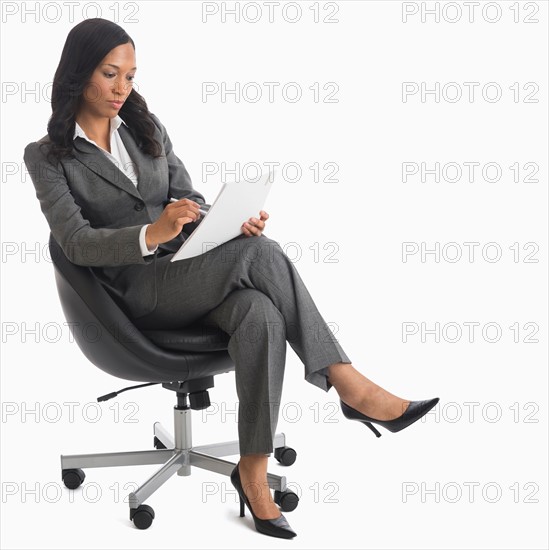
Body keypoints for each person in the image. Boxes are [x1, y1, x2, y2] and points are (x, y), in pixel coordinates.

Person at [23, 18, 439, 540]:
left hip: (191, 273)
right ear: (80, 73)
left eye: (130, 76)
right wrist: (151, 232)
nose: (122, 89)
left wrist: (218, 219)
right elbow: (76, 241)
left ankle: (254, 472)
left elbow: (187, 196)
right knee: (261, 255)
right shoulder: (47, 156)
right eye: (110, 74)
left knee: (260, 311)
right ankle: (350, 385)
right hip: (130, 299)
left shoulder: (147, 130)